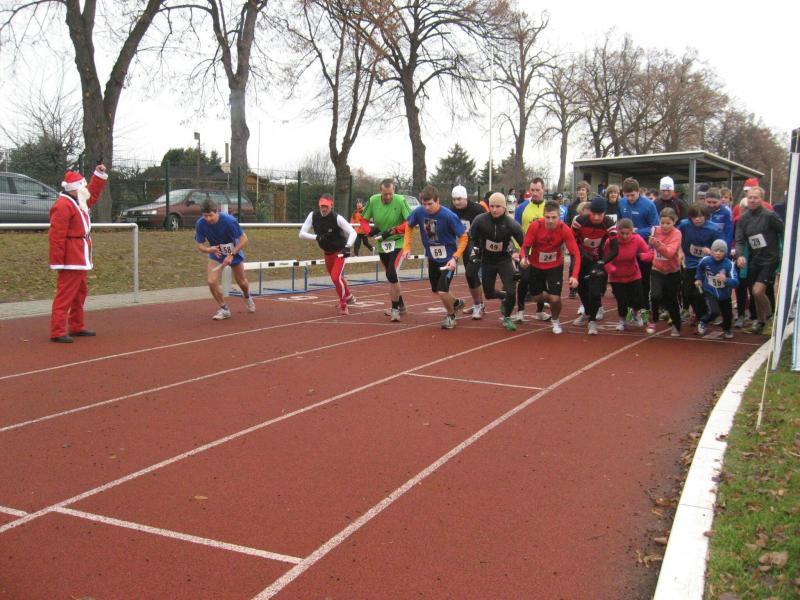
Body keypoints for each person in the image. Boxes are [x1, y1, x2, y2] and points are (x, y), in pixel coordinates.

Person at [48, 164, 109, 343]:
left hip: (80, 255)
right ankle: (57, 331)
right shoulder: (63, 205)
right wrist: (58, 261)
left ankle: (76, 325)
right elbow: (56, 236)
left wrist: (98, 175)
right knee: (65, 294)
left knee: (80, 293)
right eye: (82, 186)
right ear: (75, 188)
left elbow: (92, 194)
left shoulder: (78, 201)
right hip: (71, 257)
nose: (85, 189)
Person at [402, 185, 469, 329]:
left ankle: (450, 316)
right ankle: (456, 303)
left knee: (442, 290)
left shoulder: (449, 216)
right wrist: (406, 247)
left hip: (448, 259)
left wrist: (455, 257)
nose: (426, 207)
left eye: (430, 204)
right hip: (432, 257)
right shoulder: (419, 212)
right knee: (436, 289)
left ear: (438, 201)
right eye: (424, 204)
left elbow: (464, 237)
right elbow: (409, 226)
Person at [519, 200, 581, 334]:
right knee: (536, 297)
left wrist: (575, 275)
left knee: (555, 298)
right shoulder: (535, 226)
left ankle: (555, 320)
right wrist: (524, 258)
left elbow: (576, 253)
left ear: (559, 217)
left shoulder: (564, 229)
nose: (551, 221)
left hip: (555, 266)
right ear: (543, 216)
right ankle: (550, 297)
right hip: (536, 265)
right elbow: (525, 246)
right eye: (547, 217)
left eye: (554, 217)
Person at [468, 192, 525, 331]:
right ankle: (503, 297)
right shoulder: (480, 220)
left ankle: (507, 317)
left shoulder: (511, 224)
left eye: (498, 206)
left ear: (504, 207)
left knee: (511, 290)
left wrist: (521, 258)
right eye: (492, 206)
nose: (494, 209)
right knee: (488, 293)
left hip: (504, 260)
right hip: (487, 260)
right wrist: (475, 252)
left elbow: (524, 244)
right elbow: (471, 238)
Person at [359, 179, 412, 321]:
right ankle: (401, 305)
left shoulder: (400, 201)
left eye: (390, 194)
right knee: (390, 276)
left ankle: (395, 309)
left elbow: (410, 222)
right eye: (385, 194)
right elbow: (363, 219)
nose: (388, 197)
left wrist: (394, 230)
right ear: (380, 191)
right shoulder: (373, 200)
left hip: (398, 241)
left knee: (392, 273)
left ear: (394, 191)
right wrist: (369, 231)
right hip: (382, 243)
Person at [195, 198, 256, 320]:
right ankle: (224, 309)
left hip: (233, 251)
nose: (208, 219)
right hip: (216, 253)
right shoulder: (200, 224)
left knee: (242, 282)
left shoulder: (229, 221)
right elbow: (200, 246)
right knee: (211, 281)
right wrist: (209, 250)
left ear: (216, 212)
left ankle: (247, 296)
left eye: (210, 215)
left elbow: (244, 239)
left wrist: (231, 255)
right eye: (205, 216)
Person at [734, 185, 784, 334]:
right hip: (755, 259)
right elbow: (740, 240)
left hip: (770, 258)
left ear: (761, 199)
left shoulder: (770, 216)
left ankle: (770, 319)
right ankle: (760, 322)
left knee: (758, 291)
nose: (752, 200)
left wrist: (784, 251)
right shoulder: (743, 219)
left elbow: (784, 231)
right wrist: (740, 255)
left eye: (755, 197)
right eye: (750, 197)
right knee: (754, 292)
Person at [300, 194, 357, 315]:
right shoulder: (313, 215)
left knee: (335, 277)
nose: (323, 209)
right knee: (336, 277)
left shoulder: (337, 218)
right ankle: (349, 296)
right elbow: (301, 234)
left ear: (331, 205)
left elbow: (353, 232)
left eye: (326, 206)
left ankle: (343, 305)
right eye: (322, 206)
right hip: (327, 252)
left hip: (340, 252)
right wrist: (317, 237)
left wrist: (347, 246)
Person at [572, 196, 619, 335]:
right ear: (589, 211)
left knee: (594, 290)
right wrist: (581, 253)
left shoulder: (609, 223)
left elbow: (615, 250)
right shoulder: (579, 221)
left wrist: (602, 262)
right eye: (594, 214)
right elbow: (572, 241)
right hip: (581, 258)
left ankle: (592, 321)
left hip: (598, 260)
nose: (597, 217)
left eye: (600, 214)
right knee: (580, 287)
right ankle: (587, 312)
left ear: (605, 213)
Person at [604, 218, 653, 331]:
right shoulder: (610, 241)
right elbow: (605, 258)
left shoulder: (637, 239)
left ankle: (636, 313)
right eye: (622, 233)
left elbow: (649, 252)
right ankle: (622, 321)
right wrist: (610, 268)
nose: (625, 236)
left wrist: (644, 256)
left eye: (628, 233)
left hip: (633, 274)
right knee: (622, 301)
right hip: (616, 277)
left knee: (638, 298)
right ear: (617, 231)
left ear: (632, 231)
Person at [677, 204, 721, 324]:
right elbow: (676, 237)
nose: (697, 219)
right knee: (687, 292)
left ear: (706, 217)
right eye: (694, 217)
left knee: (700, 292)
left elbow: (721, 248)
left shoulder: (714, 229)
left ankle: (705, 314)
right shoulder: (684, 225)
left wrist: (711, 252)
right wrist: (680, 251)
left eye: (701, 216)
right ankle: (699, 313)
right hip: (689, 263)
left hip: (706, 264)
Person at [515, 177, 550, 322]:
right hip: (526, 252)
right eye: (532, 190)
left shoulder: (549, 207)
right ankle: (520, 311)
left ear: (544, 190)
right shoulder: (521, 208)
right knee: (524, 280)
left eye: (538, 190)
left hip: (543, 253)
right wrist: (518, 250)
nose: (535, 193)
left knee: (541, 282)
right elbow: (516, 230)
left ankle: (540, 311)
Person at [450, 184, 488, 317]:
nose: (456, 202)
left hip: (478, 245)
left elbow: (488, 225)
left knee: (471, 274)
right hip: (464, 245)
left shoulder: (478, 209)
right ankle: (479, 304)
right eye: (454, 199)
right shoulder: (452, 211)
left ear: (465, 198)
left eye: (459, 199)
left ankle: (478, 305)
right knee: (471, 275)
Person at [647, 208, 683, 336]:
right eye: (662, 223)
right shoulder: (654, 230)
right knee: (655, 295)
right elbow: (649, 247)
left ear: (674, 222)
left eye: (668, 223)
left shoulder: (677, 234)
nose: (664, 226)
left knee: (671, 300)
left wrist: (657, 245)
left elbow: (669, 253)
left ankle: (676, 325)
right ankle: (654, 319)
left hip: (672, 272)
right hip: (657, 269)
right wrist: (650, 245)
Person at [695, 239, 738, 339]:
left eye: (721, 251)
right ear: (712, 251)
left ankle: (727, 329)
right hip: (710, 290)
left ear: (725, 253)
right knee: (714, 311)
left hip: (724, 293)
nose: (718, 253)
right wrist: (699, 279)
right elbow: (700, 269)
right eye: (716, 250)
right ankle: (703, 321)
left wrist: (726, 279)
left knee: (727, 314)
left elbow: (736, 282)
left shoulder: (729, 264)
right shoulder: (706, 260)